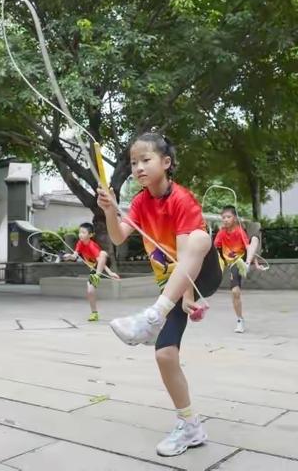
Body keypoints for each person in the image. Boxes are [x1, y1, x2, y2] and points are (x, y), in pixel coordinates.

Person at [97, 131, 222, 457]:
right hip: (171, 287)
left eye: (145, 160)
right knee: (165, 355)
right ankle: (191, 426)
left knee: (199, 238)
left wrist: (188, 298)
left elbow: (187, 254)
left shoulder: (182, 199)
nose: (137, 167)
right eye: (133, 162)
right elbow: (119, 237)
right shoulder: (139, 202)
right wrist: (110, 210)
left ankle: (151, 317)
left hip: (200, 275)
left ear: (166, 163)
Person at [214, 206, 261, 333]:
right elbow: (214, 248)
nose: (225, 220)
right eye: (223, 217)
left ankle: (246, 265)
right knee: (235, 292)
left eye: (228, 217)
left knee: (255, 238)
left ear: (235, 218)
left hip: (242, 258)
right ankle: (240, 320)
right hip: (231, 262)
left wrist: (254, 262)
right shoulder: (222, 232)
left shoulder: (240, 231)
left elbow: (249, 247)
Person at [63, 222, 119, 322]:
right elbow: (75, 256)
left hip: (103, 262)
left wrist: (110, 273)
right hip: (93, 268)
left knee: (103, 253)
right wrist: (69, 257)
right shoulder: (79, 243)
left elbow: (101, 261)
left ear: (90, 235)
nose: (80, 234)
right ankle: (94, 313)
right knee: (90, 291)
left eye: (83, 232)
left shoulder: (92, 246)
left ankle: (97, 276)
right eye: (80, 232)